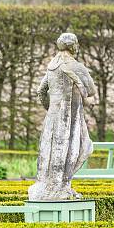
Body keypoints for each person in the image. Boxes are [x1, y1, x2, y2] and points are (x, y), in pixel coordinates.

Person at [28, 32, 96, 201]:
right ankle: (62, 187)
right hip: (70, 119)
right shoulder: (76, 67)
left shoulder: (52, 66)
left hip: (52, 116)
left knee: (49, 150)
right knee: (78, 148)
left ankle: (51, 186)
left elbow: (41, 91)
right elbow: (92, 94)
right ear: (74, 46)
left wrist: (50, 108)